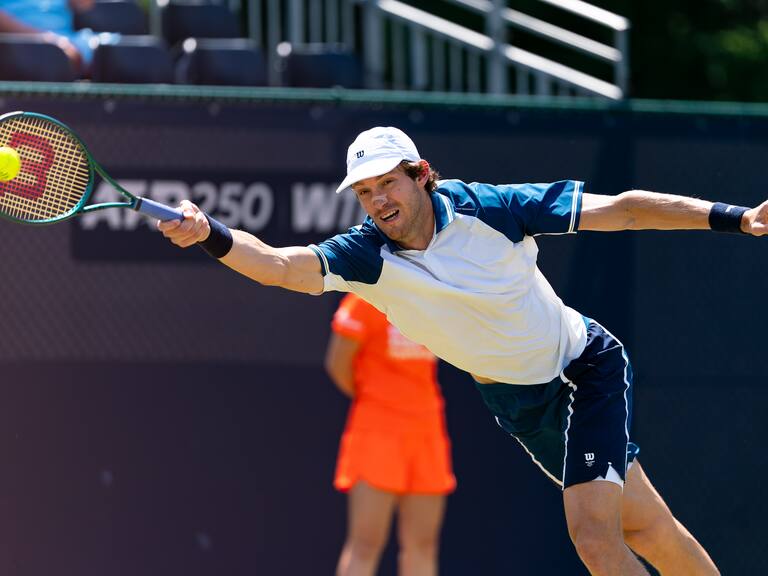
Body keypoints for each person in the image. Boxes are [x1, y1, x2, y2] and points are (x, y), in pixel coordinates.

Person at [156, 125, 768, 575]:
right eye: (364, 193)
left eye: (388, 184)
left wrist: (736, 218)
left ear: (422, 174)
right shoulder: (364, 255)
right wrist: (210, 233)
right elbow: (278, 267)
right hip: (519, 404)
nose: (378, 203)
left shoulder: (494, 208)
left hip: (582, 371)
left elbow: (628, 211)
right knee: (646, 526)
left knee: (593, 535)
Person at [325, 293, 455, 576]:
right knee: (366, 543)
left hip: (427, 428)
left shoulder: (431, 293)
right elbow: (338, 363)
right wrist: (377, 400)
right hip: (377, 431)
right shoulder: (364, 298)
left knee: (424, 544)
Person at [0, 0, 97, 76]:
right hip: (17, 44)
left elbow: (83, 5)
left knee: (105, 53)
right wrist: (46, 40)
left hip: (68, 41)